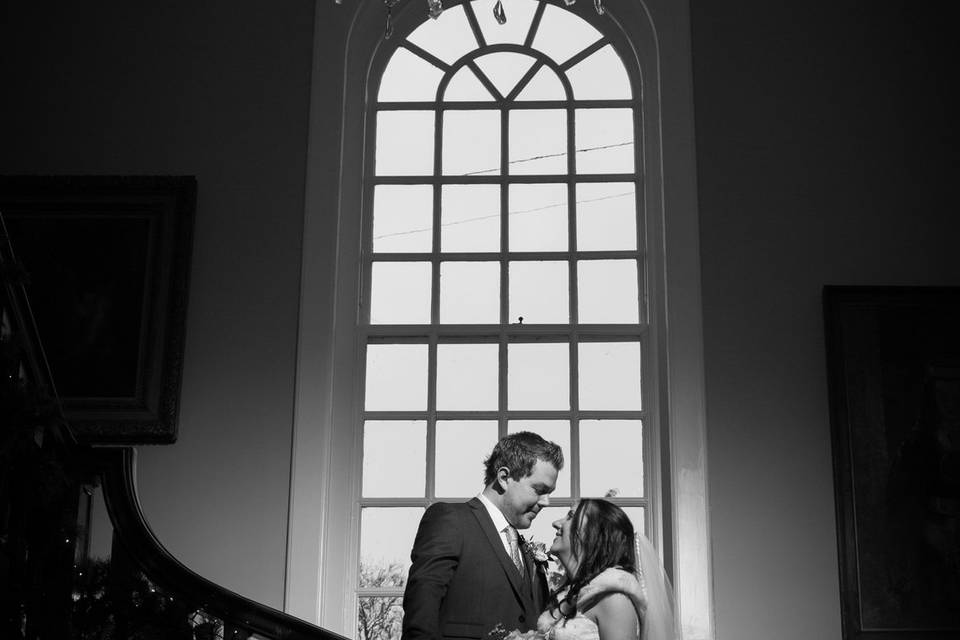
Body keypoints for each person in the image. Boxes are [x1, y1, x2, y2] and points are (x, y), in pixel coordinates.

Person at [402, 432, 564, 640]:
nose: (546, 502)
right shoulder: (451, 520)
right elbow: (421, 617)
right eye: (539, 489)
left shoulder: (526, 551)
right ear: (504, 478)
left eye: (549, 493)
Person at [538, 499, 677, 640]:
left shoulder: (614, 599)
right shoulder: (569, 595)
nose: (556, 523)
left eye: (571, 516)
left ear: (593, 533)